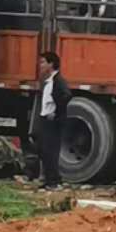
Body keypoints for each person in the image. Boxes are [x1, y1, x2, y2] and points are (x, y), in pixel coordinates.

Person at [31, 48, 71, 188]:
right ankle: (49, 179)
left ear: (51, 64)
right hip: (44, 118)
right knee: (43, 150)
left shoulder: (58, 80)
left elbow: (66, 95)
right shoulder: (48, 81)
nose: (40, 65)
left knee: (50, 151)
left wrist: (56, 111)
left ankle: (53, 181)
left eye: (43, 62)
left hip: (52, 121)